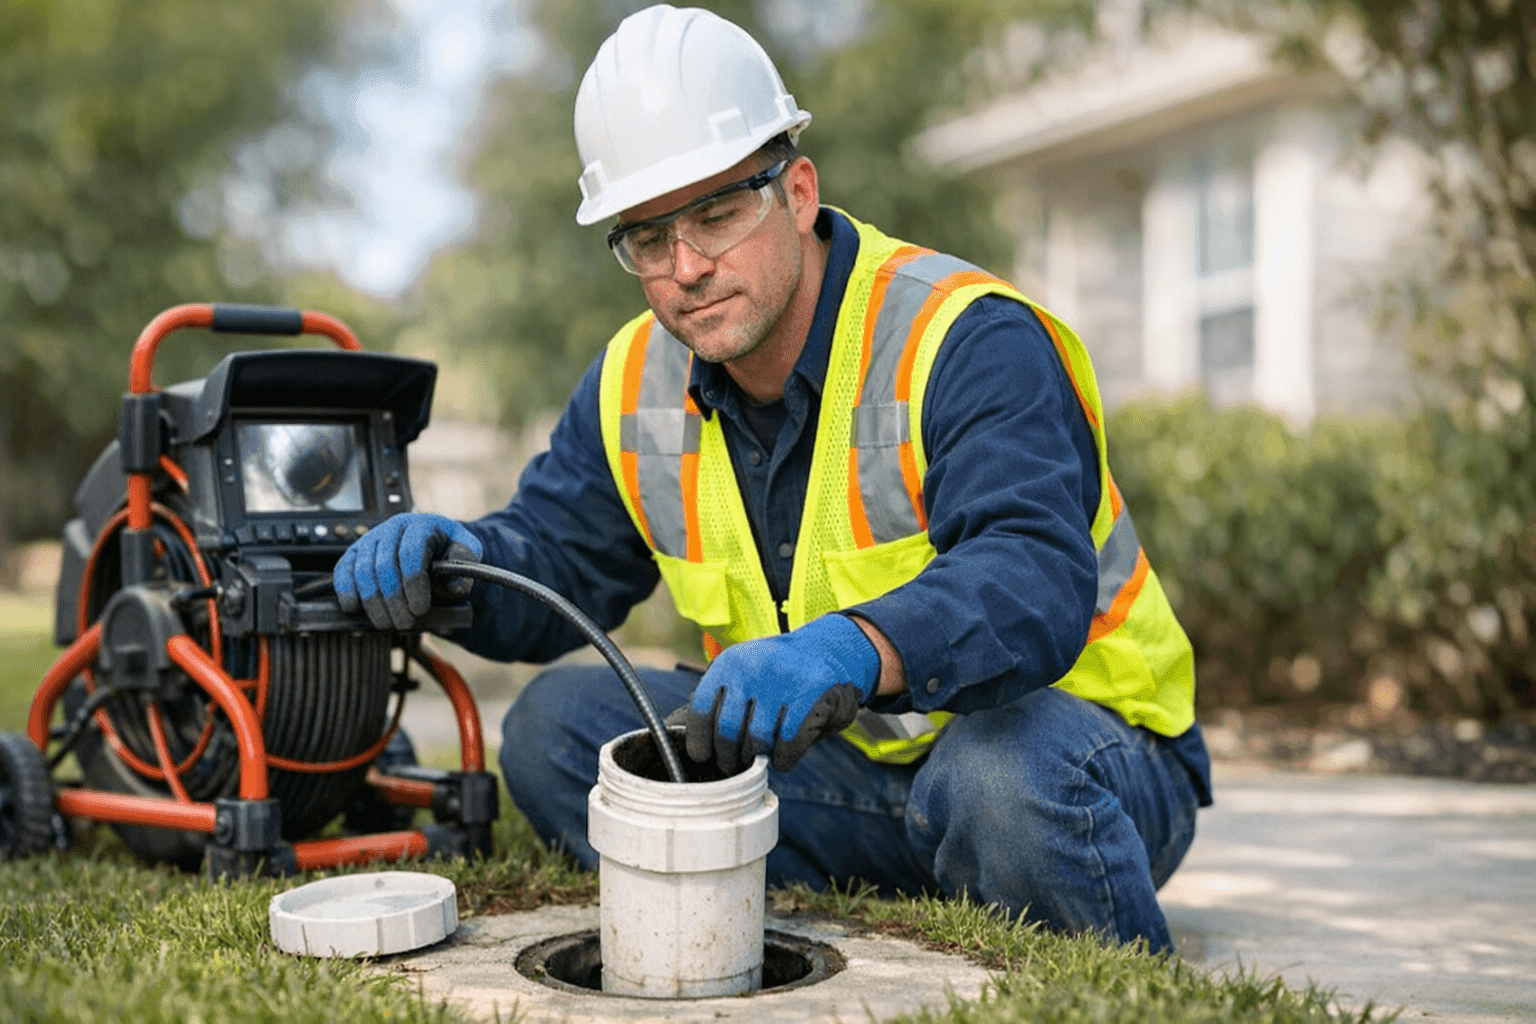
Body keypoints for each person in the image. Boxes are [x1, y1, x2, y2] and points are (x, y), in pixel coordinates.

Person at [333, 3, 1212, 953]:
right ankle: (898, 893)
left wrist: (854, 647)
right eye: (647, 238)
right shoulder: (635, 380)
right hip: (851, 779)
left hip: (1081, 759)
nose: (688, 269)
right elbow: (557, 560)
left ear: (796, 192)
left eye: (717, 214)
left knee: (999, 776)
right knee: (557, 732)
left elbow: (1031, 578)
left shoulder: (965, 338)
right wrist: (460, 561)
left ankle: (1059, 916)